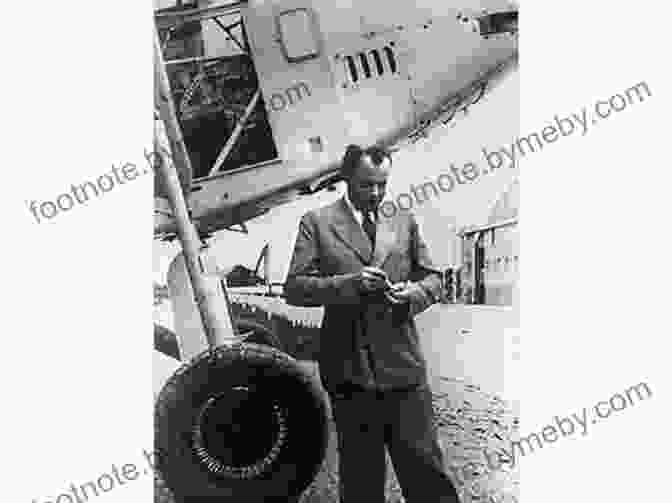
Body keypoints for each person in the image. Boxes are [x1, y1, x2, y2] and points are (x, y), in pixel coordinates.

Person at [285, 145, 460, 502]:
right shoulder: (316, 223)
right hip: (350, 375)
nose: (377, 194)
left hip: (404, 370)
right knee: (362, 480)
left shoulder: (404, 221)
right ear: (346, 178)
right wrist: (350, 285)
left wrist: (412, 296)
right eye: (367, 185)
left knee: (427, 472)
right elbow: (295, 288)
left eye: (383, 184)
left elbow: (434, 280)